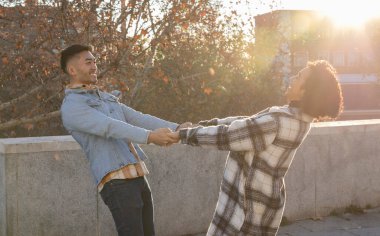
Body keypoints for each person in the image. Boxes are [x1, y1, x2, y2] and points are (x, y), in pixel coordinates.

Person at [170, 60, 343, 235]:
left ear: (305, 91)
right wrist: (205, 124)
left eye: (298, 77)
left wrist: (185, 135)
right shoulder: (299, 120)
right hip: (266, 201)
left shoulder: (278, 121)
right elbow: (249, 123)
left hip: (247, 206)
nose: (292, 78)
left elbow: (230, 135)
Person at [60, 44, 189, 236]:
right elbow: (110, 127)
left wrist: (177, 127)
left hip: (137, 174)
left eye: (94, 61)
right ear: (72, 70)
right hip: (116, 181)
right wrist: (151, 137)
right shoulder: (72, 107)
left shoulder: (104, 98)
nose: (94, 66)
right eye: (88, 62)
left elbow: (137, 117)